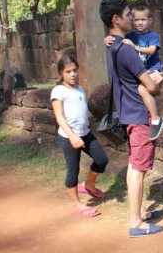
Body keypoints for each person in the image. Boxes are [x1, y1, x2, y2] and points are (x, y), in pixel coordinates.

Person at [99, 0, 163, 237]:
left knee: (134, 164)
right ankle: (136, 223)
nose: (132, 18)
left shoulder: (112, 44)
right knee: (138, 167)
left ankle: (139, 213)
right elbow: (151, 87)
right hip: (138, 114)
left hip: (127, 111)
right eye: (128, 14)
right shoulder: (126, 49)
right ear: (116, 19)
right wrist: (156, 82)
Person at [51, 54, 109, 218]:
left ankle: (89, 185)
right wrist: (72, 136)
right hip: (69, 136)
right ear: (61, 73)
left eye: (75, 70)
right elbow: (59, 117)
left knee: (102, 159)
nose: (72, 74)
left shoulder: (80, 89)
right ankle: (76, 205)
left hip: (85, 133)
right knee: (73, 170)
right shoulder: (58, 91)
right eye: (68, 71)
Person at [104, 3, 163, 140]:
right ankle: (155, 117)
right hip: (143, 72)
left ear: (150, 21)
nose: (139, 22)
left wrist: (136, 47)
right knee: (143, 90)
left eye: (143, 20)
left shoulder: (152, 36)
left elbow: (152, 50)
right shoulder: (130, 35)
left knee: (144, 90)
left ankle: (156, 119)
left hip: (153, 69)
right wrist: (106, 39)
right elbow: (115, 37)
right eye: (135, 19)